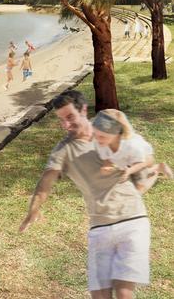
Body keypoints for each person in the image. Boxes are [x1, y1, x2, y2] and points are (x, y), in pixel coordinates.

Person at [20, 90, 150, 299]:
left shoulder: (109, 129)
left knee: (124, 291)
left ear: (83, 109)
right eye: (61, 120)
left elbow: (139, 155)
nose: (66, 125)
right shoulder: (64, 150)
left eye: (70, 117)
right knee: (99, 294)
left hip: (132, 220)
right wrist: (33, 209)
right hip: (100, 226)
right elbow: (46, 180)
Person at [93, 109, 172, 195]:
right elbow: (106, 159)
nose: (97, 138)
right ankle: (153, 169)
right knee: (126, 179)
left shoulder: (131, 145)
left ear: (116, 135)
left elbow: (144, 162)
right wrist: (106, 166)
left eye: (102, 136)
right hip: (126, 160)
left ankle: (157, 169)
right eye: (95, 134)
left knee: (139, 189)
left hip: (143, 159)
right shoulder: (101, 142)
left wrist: (130, 170)